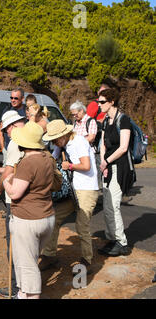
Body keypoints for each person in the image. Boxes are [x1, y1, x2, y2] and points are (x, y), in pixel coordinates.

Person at [3, 121, 55, 299]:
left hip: (27, 220)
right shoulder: (48, 159)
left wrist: (5, 182)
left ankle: (29, 294)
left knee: (28, 266)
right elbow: (56, 183)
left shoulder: (27, 163)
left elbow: (15, 193)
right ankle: (23, 293)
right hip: (46, 216)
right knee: (29, 260)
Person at [40, 120, 99, 273]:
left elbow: (86, 166)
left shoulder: (78, 142)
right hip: (75, 188)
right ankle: (49, 254)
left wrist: (70, 166)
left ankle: (87, 260)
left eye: (55, 138)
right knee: (54, 218)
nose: (53, 142)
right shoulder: (65, 144)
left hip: (86, 189)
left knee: (82, 225)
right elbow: (53, 157)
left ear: (64, 135)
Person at [0, 110, 26, 299]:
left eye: (6, 129)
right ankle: (22, 284)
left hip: (15, 199)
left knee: (14, 244)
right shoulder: (31, 139)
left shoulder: (16, 142)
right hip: (27, 200)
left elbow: (10, 170)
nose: (6, 133)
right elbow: (13, 166)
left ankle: (17, 286)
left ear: (13, 126)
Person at [97, 88, 134, 257]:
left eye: (102, 102)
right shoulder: (105, 120)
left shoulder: (123, 120)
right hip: (108, 166)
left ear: (112, 102)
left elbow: (123, 147)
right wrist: (103, 161)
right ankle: (112, 238)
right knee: (107, 205)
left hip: (119, 167)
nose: (99, 104)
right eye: (99, 101)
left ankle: (122, 242)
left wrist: (107, 161)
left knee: (113, 205)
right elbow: (103, 143)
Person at [0, 88, 26, 166]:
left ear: (22, 99)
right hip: (8, 150)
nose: (13, 100)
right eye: (11, 98)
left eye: (16, 98)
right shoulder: (6, 110)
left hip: (22, 150)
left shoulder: (26, 112)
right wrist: (3, 149)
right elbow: (0, 131)